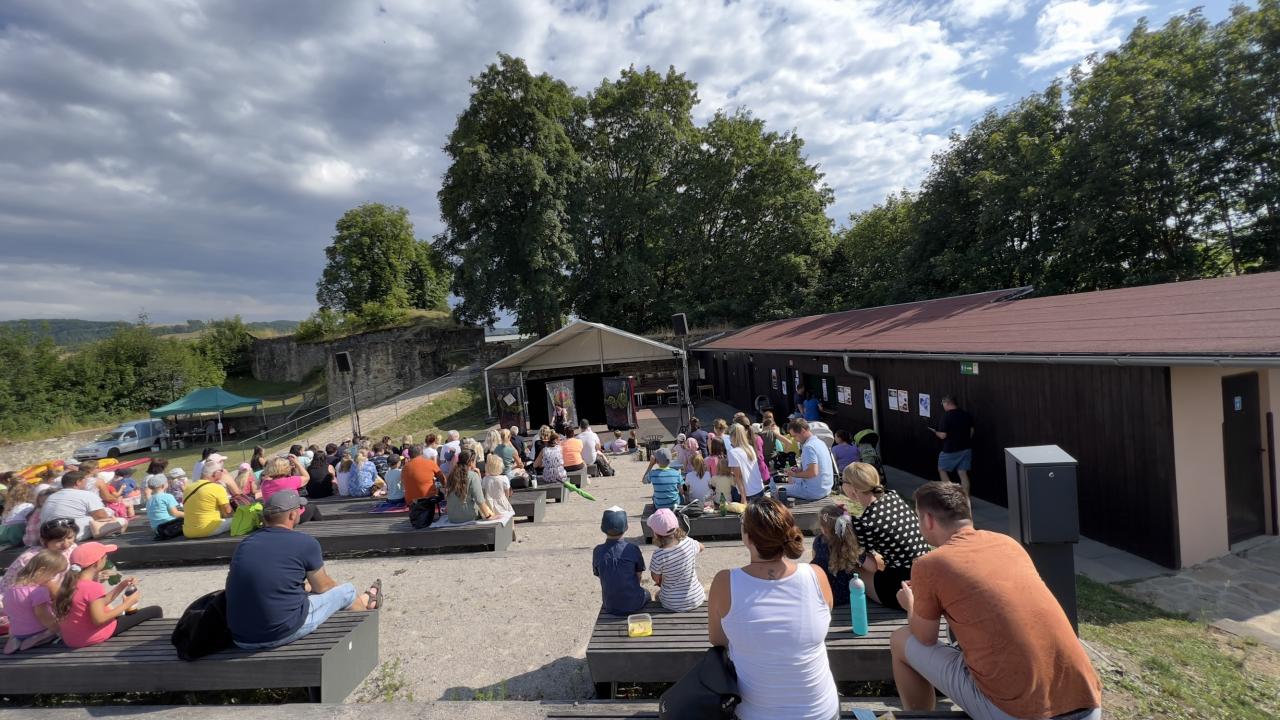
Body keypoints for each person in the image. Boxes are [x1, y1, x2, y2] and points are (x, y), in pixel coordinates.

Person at [891, 483, 1101, 719]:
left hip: (1019, 712)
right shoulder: (1008, 543)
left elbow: (925, 637)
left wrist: (910, 603)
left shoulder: (929, 564)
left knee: (900, 639)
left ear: (928, 520)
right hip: (1087, 703)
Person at [708, 498, 839, 720]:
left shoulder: (725, 582)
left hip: (755, 714)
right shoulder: (816, 575)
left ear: (748, 538)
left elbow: (717, 640)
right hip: (822, 712)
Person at [226, 491, 381, 650]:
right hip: (280, 631)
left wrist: (305, 586)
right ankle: (366, 638)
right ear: (292, 515)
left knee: (307, 591)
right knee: (347, 591)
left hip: (242, 637)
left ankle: (365, 600)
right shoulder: (304, 542)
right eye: (299, 508)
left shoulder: (245, 544)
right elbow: (323, 587)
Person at [840, 462, 930, 610]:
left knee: (852, 568)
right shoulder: (891, 496)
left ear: (853, 489)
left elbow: (871, 566)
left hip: (902, 585)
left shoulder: (865, 522)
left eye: (842, 481)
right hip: (925, 574)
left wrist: (848, 544)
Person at [56, 542, 161, 649]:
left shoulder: (69, 584)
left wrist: (122, 585)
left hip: (72, 640)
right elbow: (99, 620)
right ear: (97, 563)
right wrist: (127, 604)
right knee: (156, 610)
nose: (106, 559)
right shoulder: (92, 587)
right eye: (105, 557)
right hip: (91, 637)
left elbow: (99, 603)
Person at [2, 548, 65, 653]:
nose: (52, 579)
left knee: (19, 624)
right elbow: (44, 616)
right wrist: (58, 629)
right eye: (53, 575)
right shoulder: (38, 591)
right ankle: (35, 640)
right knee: (53, 631)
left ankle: (15, 640)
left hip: (17, 632)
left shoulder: (11, 589)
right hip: (35, 631)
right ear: (41, 571)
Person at [3, 518, 77, 602]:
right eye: (59, 541)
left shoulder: (72, 547)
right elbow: (10, 584)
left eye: (70, 537)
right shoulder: (33, 557)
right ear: (43, 541)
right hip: (31, 599)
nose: (66, 544)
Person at [647, 509, 706, 612]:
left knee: (657, 595)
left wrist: (662, 579)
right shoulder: (689, 542)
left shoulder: (658, 555)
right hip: (696, 598)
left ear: (656, 534)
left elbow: (655, 578)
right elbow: (702, 547)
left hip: (672, 603)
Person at [592, 506, 648, 616]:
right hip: (634, 603)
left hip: (610, 605)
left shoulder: (597, 551)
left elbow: (599, 574)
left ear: (602, 528)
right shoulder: (632, 548)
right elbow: (638, 575)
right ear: (626, 527)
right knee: (647, 593)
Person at [40, 471, 126, 540]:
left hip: (50, 535)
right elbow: (102, 517)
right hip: (74, 534)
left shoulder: (51, 496)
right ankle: (109, 541)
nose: (87, 483)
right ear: (78, 482)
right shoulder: (86, 494)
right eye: (86, 480)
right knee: (122, 521)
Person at [811, 504, 860, 607]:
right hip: (847, 594)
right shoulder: (850, 542)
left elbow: (815, 563)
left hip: (824, 593)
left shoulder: (818, 542)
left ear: (824, 529)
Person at [932, 396, 975, 494]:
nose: (943, 406)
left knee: (942, 469)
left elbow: (943, 435)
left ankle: (951, 496)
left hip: (950, 450)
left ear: (947, 403)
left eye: (943, 404)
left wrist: (935, 432)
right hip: (966, 448)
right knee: (962, 473)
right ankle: (965, 499)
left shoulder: (946, 416)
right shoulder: (966, 414)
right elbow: (972, 430)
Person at [784, 419, 833, 501]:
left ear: (803, 431)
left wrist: (794, 474)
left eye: (795, 436)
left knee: (777, 490)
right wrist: (800, 470)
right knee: (792, 477)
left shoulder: (808, 447)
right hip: (826, 489)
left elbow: (812, 473)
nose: (795, 439)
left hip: (814, 492)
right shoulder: (820, 442)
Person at [260, 458, 320, 523]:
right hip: (293, 517)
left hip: (274, 519)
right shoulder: (292, 480)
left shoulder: (264, 484)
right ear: (286, 468)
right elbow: (307, 477)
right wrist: (297, 463)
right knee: (313, 507)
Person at [182, 464, 234, 539]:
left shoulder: (188, 488)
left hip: (188, 531)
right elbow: (227, 513)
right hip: (208, 529)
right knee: (241, 519)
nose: (223, 473)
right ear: (215, 473)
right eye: (221, 471)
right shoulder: (216, 488)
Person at [443, 449, 495, 523]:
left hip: (452, 517)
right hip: (468, 516)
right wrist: (488, 516)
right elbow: (480, 500)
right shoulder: (472, 476)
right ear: (471, 462)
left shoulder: (451, 475)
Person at [726, 424, 764, 503]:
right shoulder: (750, 448)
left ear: (732, 436)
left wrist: (743, 498)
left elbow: (738, 478)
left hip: (748, 494)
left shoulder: (733, 452)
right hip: (759, 488)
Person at [0, 481, 37, 546]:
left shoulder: (8, 507)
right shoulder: (28, 506)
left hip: (3, 533)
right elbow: (31, 522)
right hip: (16, 534)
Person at [480, 454, 514, 518]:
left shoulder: (485, 479)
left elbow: (483, 493)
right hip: (502, 504)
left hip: (489, 504)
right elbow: (507, 493)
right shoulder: (504, 478)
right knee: (507, 517)